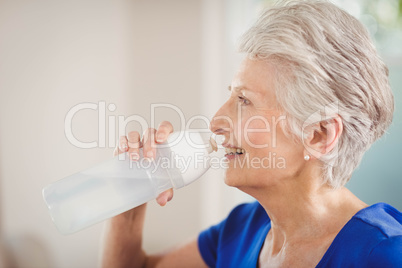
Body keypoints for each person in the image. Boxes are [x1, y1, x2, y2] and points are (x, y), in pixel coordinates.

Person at [100, 0, 402, 267]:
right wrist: (132, 191)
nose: (216, 121)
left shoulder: (385, 254)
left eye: (244, 101)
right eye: (232, 95)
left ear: (319, 135)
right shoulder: (242, 228)